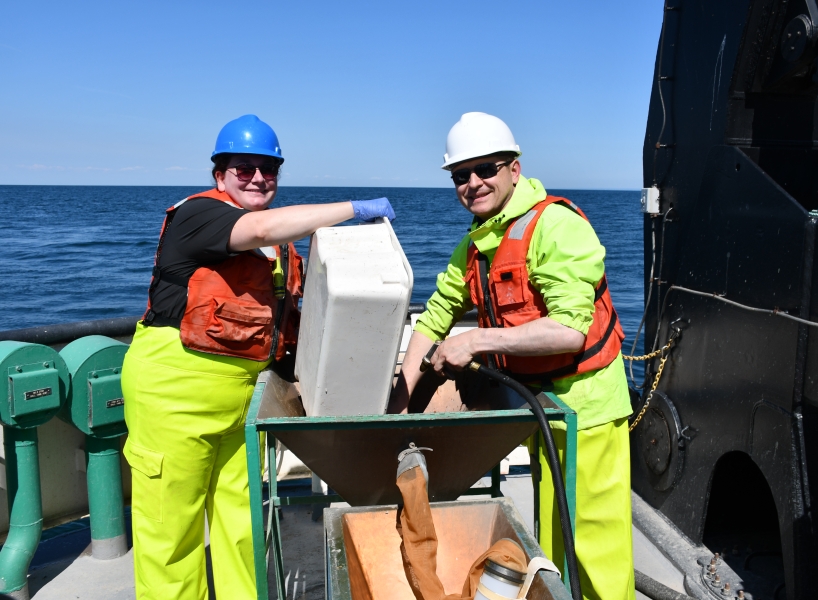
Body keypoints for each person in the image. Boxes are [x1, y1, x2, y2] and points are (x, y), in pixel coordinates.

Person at [121, 114, 395, 600]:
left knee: (242, 528)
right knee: (171, 536)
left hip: (243, 404)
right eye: (243, 168)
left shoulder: (281, 249)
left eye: (268, 170)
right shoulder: (200, 215)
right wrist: (351, 207)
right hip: (173, 397)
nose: (257, 178)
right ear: (219, 175)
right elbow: (260, 226)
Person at [389, 112, 634, 600]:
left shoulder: (555, 226)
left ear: (514, 169)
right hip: (539, 410)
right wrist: (395, 408)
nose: (474, 183)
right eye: (462, 175)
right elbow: (435, 316)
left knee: (596, 548)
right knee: (554, 542)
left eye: (486, 169)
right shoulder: (476, 243)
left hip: (588, 411)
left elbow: (568, 330)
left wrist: (475, 341)